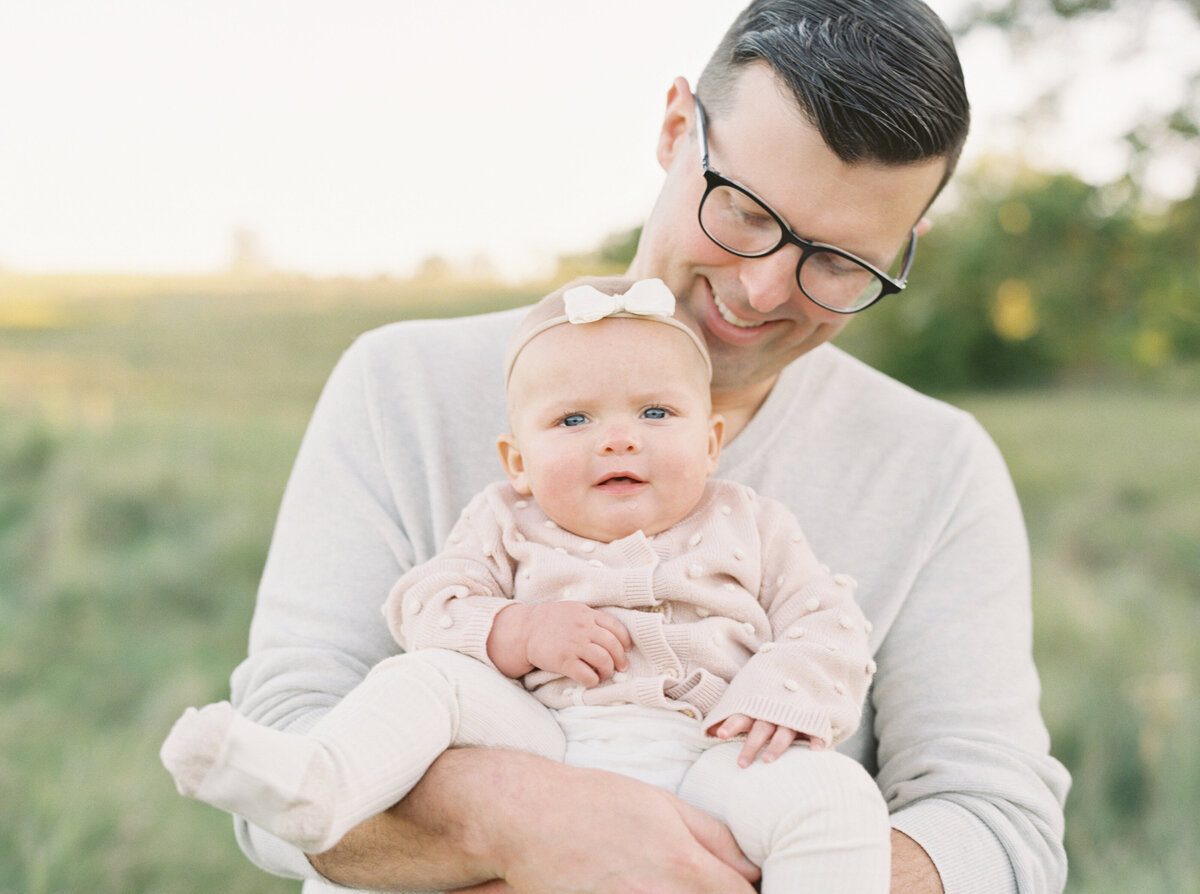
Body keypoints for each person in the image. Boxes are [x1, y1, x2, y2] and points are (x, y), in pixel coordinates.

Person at [225, 2, 1071, 892]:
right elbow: (285, 744)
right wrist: (522, 821)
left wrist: (719, 870)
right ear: (676, 131)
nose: (759, 288)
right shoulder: (398, 385)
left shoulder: (938, 468)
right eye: (743, 210)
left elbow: (998, 827)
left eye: (840, 261)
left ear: (904, 247)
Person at [162, 278, 890, 892]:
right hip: (543, 738)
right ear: (518, 460)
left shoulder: (754, 523)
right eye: (574, 419)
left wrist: (779, 692)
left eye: (656, 412)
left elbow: (830, 624)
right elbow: (423, 607)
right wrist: (518, 630)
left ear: (710, 443)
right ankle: (323, 782)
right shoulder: (504, 521)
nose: (619, 437)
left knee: (835, 798)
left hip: (711, 757)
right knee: (428, 677)